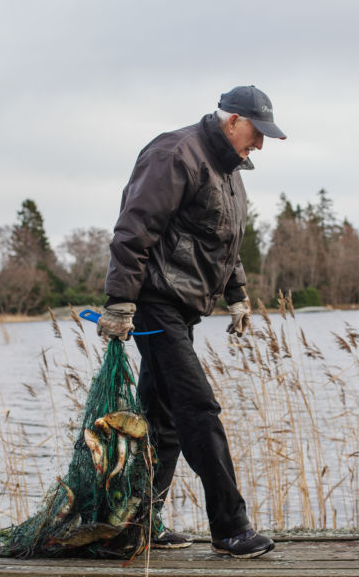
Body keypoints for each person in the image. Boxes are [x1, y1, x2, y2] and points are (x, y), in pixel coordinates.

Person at [98, 85, 286, 559]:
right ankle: (231, 528)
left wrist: (237, 294)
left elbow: (224, 238)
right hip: (155, 304)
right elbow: (134, 228)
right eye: (256, 132)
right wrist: (120, 301)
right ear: (233, 120)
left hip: (182, 307)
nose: (260, 144)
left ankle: (140, 522)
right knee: (198, 409)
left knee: (162, 420)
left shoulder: (226, 169)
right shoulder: (175, 154)